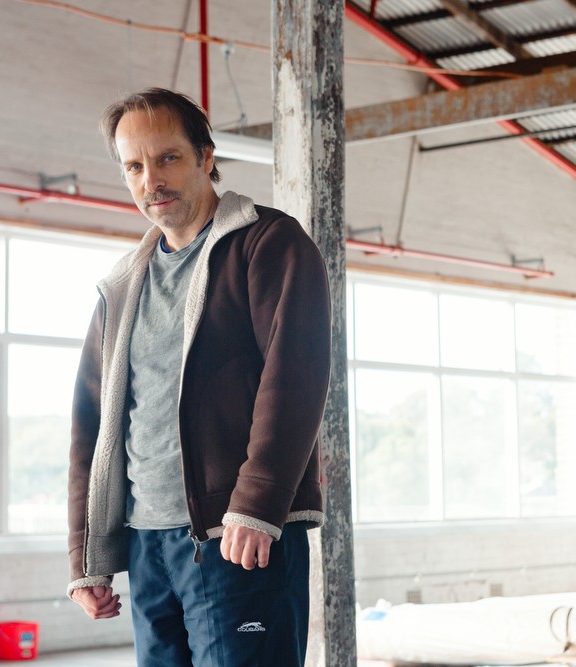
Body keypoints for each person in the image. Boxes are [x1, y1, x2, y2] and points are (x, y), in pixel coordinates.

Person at [66, 87, 332, 667]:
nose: (150, 179)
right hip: (148, 544)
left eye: (167, 158)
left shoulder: (268, 244)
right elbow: (93, 425)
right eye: (134, 166)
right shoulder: (121, 288)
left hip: (237, 535)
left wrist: (257, 505)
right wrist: (87, 556)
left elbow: (295, 379)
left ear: (206, 157)